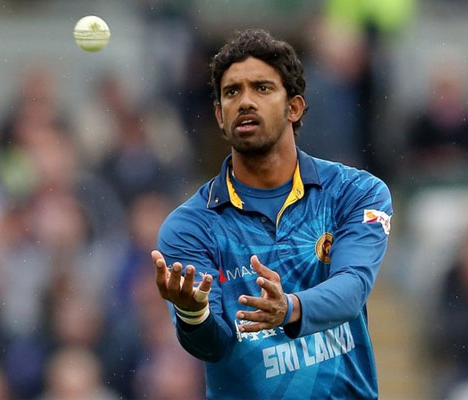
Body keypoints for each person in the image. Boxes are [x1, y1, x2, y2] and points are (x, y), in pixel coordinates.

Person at [151, 29, 393, 399]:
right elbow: (212, 347)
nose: (245, 101)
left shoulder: (356, 192)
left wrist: (290, 308)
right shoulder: (190, 226)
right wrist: (192, 313)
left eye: (262, 88)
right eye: (232, 92)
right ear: (219, 115)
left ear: (294, 107)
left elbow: (352, 289)